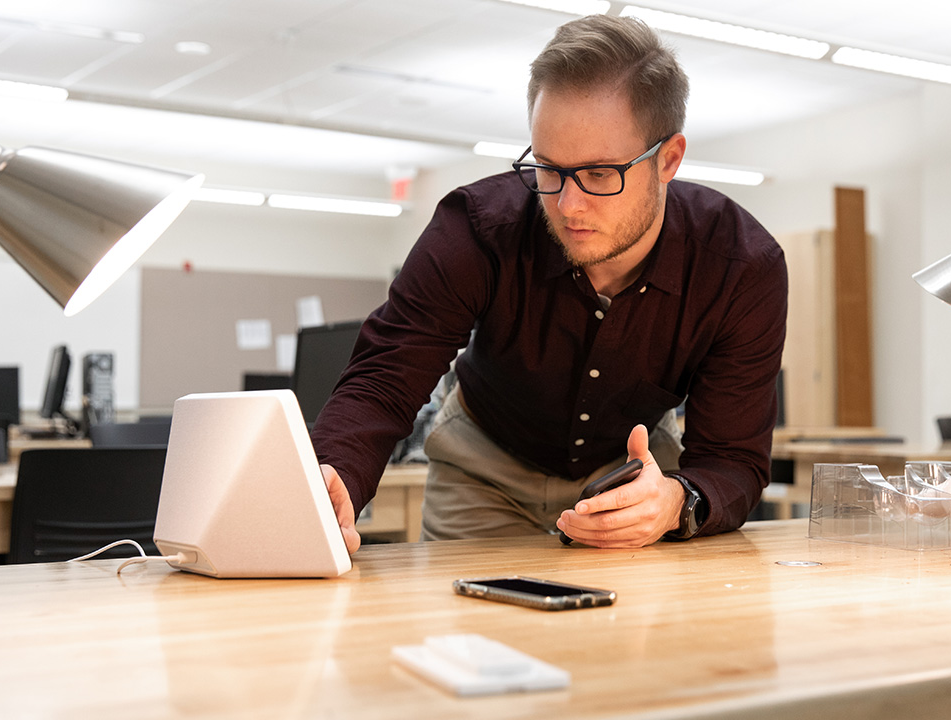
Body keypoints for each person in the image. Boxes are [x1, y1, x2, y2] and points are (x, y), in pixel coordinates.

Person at [312, 14, 787, 554]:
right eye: (548, 167)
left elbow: (732, 458)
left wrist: (676, 502)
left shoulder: (741, 266)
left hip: (628, 477)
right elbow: (386, 376)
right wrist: (336, 476)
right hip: (482, 466)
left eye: (600, 174)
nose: (568, 205)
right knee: (472, 631)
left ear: (668, 160)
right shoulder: (477, 228)